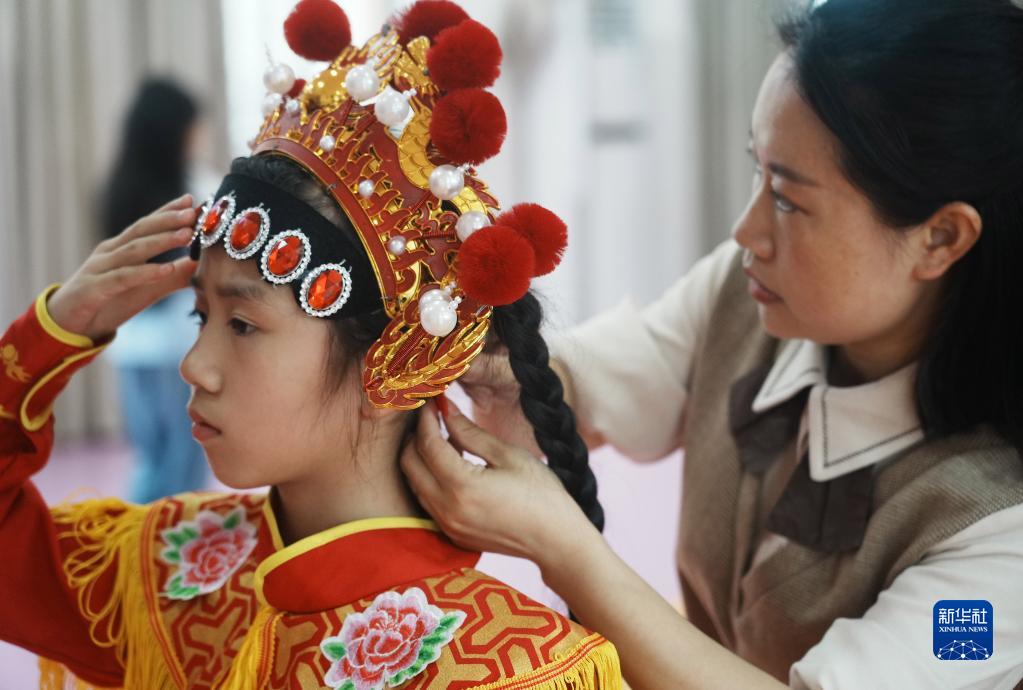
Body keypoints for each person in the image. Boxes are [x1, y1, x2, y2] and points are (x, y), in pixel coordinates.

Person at [400, 0, 1023, 688]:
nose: (745, 232)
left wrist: (563, 548)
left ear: (940, 238)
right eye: (760, 170)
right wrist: (494, 374)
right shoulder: (749, 295)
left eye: (788, 200)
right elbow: (607, 378)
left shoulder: (1001, 545)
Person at [0, 2, 621, 688]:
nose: (195, 366)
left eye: (243, 325)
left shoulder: (510, 667)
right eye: (200, 316)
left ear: (392, 363)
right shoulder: (169, 574)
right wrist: (51, 331)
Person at [101, 77, 211, 503]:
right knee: (184, 455)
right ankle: (171, 535)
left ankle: (138, 533)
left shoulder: (116, 188)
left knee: (152, 457)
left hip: (128, 340)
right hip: (173, 341)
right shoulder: (187, 190)